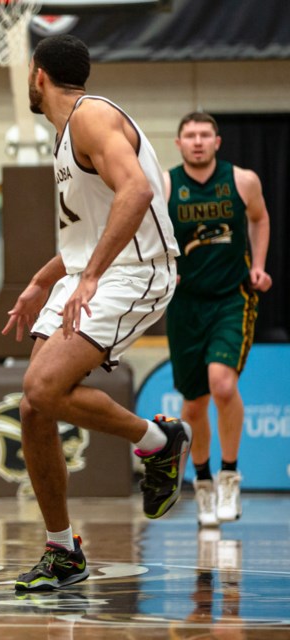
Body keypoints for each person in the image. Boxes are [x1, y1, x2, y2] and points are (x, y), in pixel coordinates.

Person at [1, 35, 190, 592]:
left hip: (137, 271)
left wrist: (87, 277)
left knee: (40, 385)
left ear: (37, 76)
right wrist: (43, 279)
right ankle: (62, 551)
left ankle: (158, 443)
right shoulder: (67, 135)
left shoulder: (92, 117)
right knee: (35, 409)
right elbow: (90, 231)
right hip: (93, 275)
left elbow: (135, 193)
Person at [164, 112, 272, 527]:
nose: (197, 141)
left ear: (217, 141)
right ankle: (203, 483)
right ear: (178, 143)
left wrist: (259, 265)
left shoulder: (243, 180)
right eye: (189, 135)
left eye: (204, 134)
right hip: (185, 303)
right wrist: (161, 268)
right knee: (194, 403)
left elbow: (259, 218)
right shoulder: (167, 183)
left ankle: (229, 475)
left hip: (232, 297)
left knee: (222, 384)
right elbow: (149, 231)